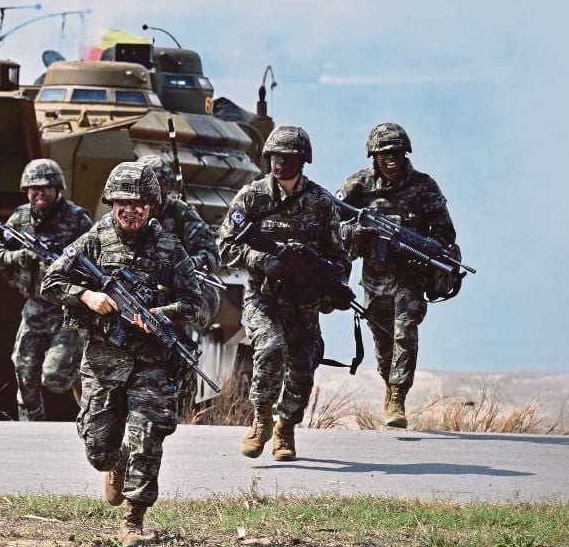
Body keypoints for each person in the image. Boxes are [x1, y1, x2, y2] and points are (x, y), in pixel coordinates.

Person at [41, 162, 201, 546]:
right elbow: (51, 281)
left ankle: (133, 521)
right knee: (98, 449)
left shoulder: (170, 249)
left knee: (148, 437)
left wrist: (160, 315)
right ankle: (115, 463)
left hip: (152, 363)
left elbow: (194, 302)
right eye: (121, 202)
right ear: (111, 204)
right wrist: (87, 296)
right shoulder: (93, 241)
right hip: (103, 362)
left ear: (152, 205)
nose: (130, 210)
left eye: (139, 203)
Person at [217, 126, 350, 461]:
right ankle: (261, 419)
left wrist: (333, 288)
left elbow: (338, 256)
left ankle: (285, 429)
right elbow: (225, 245)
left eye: (288, 158)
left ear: (302, 160)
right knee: (271, 346)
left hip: (304, 302)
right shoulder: (251, 197)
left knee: (303, 366)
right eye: (275, 157)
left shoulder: (321, 202)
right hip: (263, 296)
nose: (280, 164)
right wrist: (259, 259)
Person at [337, 123, 456, 428]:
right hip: (374, 279)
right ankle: (389, 384)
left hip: (410, 277)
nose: (390, 158)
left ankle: (398, 397)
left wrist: (426, 251)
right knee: (383, 341)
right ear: (373, 155)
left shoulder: (424, 187)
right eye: (383, 153)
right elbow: (332, 227)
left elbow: (445, 233)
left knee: (406, 331)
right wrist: (360, 232)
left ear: (405, 153)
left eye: (395, 152)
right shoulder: (358, 186)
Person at [0, 158, 93, 421]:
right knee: (24, 367)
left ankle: (80, 373)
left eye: (46, 187)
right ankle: (30, 427)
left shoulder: (78, 219)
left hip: (69, 309)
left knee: (55, 377)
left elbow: (96, 263)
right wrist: (19, 257)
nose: (39, 192)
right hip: (36, 306)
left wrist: (65, 267)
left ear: (58, 189)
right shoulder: (20, 218)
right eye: (33, 188)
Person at [138, 154, 221, 328]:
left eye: (155, 184)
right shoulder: (128, 213)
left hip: (176, 289)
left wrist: (188, 264)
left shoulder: (182, 214)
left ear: (164, 184)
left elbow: (211, 255)